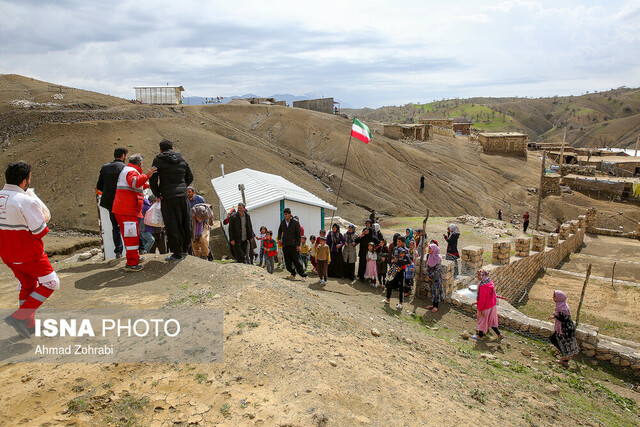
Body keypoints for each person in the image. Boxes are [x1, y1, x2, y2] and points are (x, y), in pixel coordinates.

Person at [1, 162, 59, 338]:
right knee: (51, 283)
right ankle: (20, 317)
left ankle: (29, 324)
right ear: (25, 181)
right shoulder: (26, 201)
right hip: (29, 253)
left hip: (7, 253)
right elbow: (40, 231)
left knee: (27, 284)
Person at [149, 139, 194, 261]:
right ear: (172, 148)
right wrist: (183, 187)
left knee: (172, 223)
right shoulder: (182, 158)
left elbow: (153, 180)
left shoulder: (158, 159)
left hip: (168, 197)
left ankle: (177, 253)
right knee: (185, 222)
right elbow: (190, 176)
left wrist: (158, 193)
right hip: (182, 196)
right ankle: (185, 250)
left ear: (160, 149)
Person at [112, 154, 156, 271]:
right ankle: (132, 263)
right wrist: (147, 175)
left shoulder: (127, 170)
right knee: (131, 237)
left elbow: (138, 184)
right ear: (140, 163)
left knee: (130, 236)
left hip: (124, 209)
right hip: (127, 210)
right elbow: (134, 183)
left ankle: (134, 257)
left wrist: (147, 181)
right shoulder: (131, 171)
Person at [96, 147, 128, 258]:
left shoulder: (105, 168)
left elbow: (99, 186)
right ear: (123, 156)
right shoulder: (126, 168)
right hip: (124, 202)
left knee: (115, 227)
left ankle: (118, 251)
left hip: (110, 203)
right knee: (127, 225)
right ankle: (132, 250)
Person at [548, 290, 579, 367]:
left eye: (554, 296)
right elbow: (564, 316)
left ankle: (565, 358)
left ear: (558, 298)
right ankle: (565, 358)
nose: (553, 298)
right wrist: (555, 316)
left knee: (556, 340)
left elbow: (563, 319)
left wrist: (555, 316)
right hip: (567, 327)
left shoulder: (561, 308)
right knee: (559, 341)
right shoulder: (562, 305)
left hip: (564, 329)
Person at [471, 270, 504, 342]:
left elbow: (483, 300)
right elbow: (492, 294)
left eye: (479, 275)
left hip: (486, 306)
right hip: (492, 305)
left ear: (483, 276)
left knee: (481, 319)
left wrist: (480, 309)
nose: (477, 277)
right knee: (490, 320)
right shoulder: (489, 282)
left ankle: (480, 336)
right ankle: (499, 334)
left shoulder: (483, 286)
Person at [277, 208, 307, 280]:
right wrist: (280, 239)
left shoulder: (295, 222)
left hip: (294, 245)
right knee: (287, 262)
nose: (285, 216)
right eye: (284, 214)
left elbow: (298, 234)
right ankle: (293, 273)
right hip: (285, 245)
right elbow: (279, 231)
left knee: (296, 261)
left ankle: (303, 275)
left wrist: (298, 245)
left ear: (290, 214)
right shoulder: (283, 222)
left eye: (286, 214)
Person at [382, 236, 410, 310]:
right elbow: (393, 257)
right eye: (397, 241)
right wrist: (393, 262)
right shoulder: (395, 249)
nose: (397, 243)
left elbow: (407, 261)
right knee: (389, 283)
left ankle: (400, 303)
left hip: (401, 270)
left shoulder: (405, 250)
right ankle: (388, 299)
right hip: (394, 269)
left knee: (401, 286)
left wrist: (399, 263)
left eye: (399, 241)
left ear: (403, 243)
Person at [425, 243, 444, 312]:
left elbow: (437, 269)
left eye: (430, 248)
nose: (429, 250)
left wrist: (430, 276)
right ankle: (433, 304)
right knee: (432, 291)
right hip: (430, 277)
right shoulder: (429, 256)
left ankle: (436, 306)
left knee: (436, 291)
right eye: (429, 248)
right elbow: (427, 266)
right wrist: (427, 275)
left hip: (436, 278)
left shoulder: (438, 258)